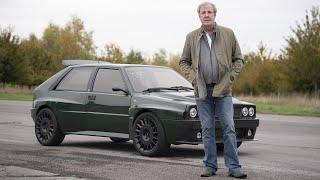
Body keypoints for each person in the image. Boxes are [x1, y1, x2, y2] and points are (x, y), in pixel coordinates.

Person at [179, 2, 247, 179]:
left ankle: (234, 167)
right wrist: (193, 79)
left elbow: (238, 60)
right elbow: (183, 62)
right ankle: (210, 166)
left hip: (223, 90)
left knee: (228, 127)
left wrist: (230, 78)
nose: (206, 15)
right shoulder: (191, 37)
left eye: (209, 12)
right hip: (202, 91)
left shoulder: (228, 34)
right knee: (207, 129)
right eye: (203, 12)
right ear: (199, 16)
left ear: (215, 14)